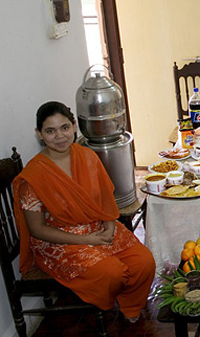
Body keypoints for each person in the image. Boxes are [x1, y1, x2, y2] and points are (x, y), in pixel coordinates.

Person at [12, 101, 156, 323]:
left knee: (144, 261)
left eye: (65, 128)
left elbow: (106, 201)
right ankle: (108, 298)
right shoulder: (33, 177)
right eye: (50, 131)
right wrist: (87, 239)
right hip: (59, 242)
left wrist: (109, 226)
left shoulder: (87, 157)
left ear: (74, 127)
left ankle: (131, 304)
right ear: (39, 134)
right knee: (112, 273)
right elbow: (37, 230)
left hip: (97, 227)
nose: (59, 136)